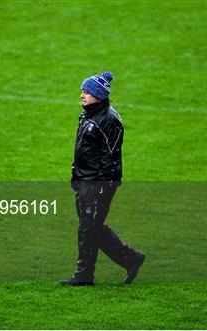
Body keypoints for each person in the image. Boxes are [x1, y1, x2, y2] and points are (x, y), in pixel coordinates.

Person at [59, 71, 146, 286]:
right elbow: (81, 149)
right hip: (85, 180)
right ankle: (131, 259)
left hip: (99, 183)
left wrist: (101, 186)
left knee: (88, 228)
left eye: (87, 91)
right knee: (92, 227)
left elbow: (111, 156)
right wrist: (75, 174)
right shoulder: (87, 114)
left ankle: (84, 275)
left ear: (98, 94)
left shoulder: (109, 120)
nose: (82, 95)